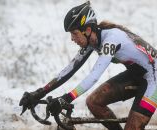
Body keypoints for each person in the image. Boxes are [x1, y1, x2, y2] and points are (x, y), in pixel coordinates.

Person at [19, 1, 157, 130]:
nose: (72, 39)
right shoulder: (92, 41)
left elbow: (94, 76)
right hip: (138, 75)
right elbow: (69, 69)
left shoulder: (111, 39)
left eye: (74, 33)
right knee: (93, 102)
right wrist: (39, 93)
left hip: (154, 79)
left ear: (88, 29)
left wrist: (66, 98)